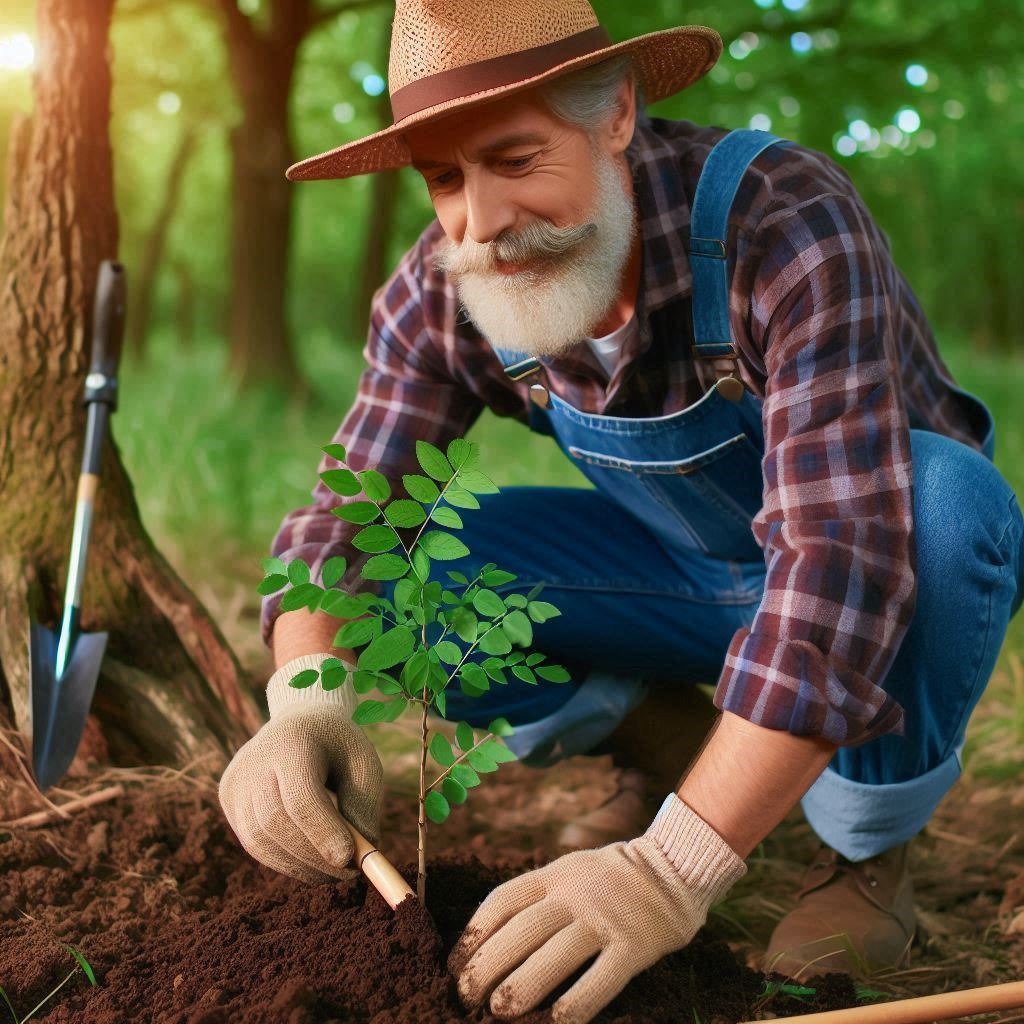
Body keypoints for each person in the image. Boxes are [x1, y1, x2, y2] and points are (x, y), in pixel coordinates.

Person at [218, 1, 1024, 1021]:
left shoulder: (779, 221)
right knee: (417, 585)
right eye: (445, 179)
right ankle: (679, 752)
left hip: (872, 575)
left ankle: (860, 853)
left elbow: (840, 560)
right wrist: (304, 696)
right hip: (680, 577)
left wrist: (669, 872)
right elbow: (344, 519)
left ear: (616, 114)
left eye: (514, 158)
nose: (484, 222)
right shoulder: (442, 286)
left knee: (942, 501)